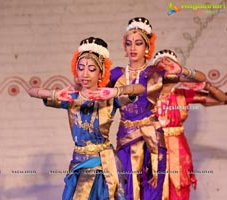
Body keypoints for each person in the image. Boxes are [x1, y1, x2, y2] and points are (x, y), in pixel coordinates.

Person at [28, 36, 145, 200]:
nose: (85, 73)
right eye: (81, 68)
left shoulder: (109, 98)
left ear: (101, 72)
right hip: (79, 163)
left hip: (104, 164)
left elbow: (140, 89)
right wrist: (54, 94)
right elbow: (31, 91)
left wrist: (117, 91)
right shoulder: (71, 98)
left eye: (91, 69)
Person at [153, 49, 227, 200]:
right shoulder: (146, 95)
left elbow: (223, 99)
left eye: (170, 65)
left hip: (178, 152)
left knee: (178, 190)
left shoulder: (182, 94)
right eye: (162, 65)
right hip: (153, 149)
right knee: (153, 190)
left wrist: (206, 86)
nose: (167, 69)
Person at [108, 17, 167, 200]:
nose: (133, 48)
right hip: (126, 137)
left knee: (152, 189)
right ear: (124, 47)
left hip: (152, 137)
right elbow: (98, 93)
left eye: (138, 43)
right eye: (129, 43)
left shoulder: (155, 73)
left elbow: (151, 89)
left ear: (147, 47)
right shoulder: (116, 74)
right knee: (126, 189)